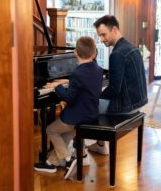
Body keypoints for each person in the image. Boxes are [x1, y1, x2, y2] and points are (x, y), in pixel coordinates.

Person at [34, 36, 103, 179]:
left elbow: (69, 97)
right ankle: (49, 163)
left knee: (51, 130)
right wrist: (68, 80)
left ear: (75, 53)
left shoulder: (78, 73)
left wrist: (57, 86)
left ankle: (67, 159)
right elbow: (84, 84)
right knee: (64, 136)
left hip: (75, 117)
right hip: (91, 114)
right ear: (94, 53)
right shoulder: (97, 69)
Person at [87, 15, 148, 155]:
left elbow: (114, 89)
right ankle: (100, 144)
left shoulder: (117, 54)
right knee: (95, 100)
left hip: (126, 106)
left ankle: (79, 151)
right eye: (100, 36)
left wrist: (96, 95)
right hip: (138, 101)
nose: (102, 40)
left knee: (85, 104)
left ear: (114, 29)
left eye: (103, 35)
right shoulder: (131, 47)